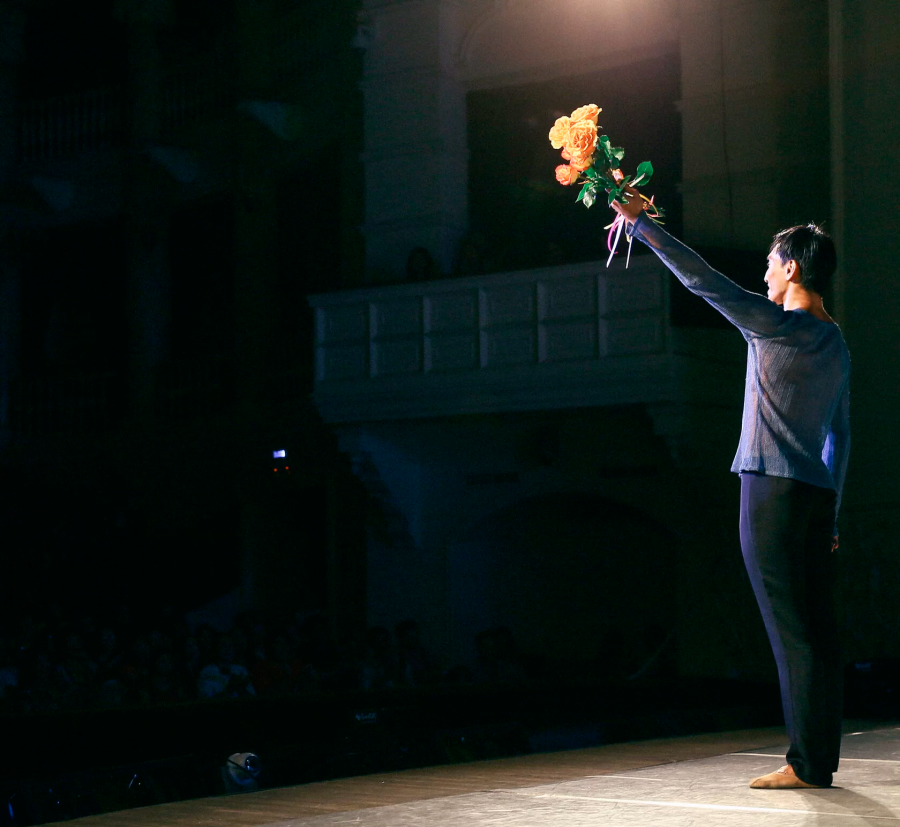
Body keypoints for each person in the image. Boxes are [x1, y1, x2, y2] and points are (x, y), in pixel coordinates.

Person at [612, 189, 850, 789]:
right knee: (817, 633)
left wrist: (641, 225)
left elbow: (703, 282)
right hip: (816, 496)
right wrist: (833, 513)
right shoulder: (836, 343)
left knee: (790, 633)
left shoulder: (776, 326)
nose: (764, 274)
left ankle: (805, 764)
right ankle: (819, 760)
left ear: (791, 268)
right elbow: (840, 436)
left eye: (770, 264)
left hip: (770, 491)